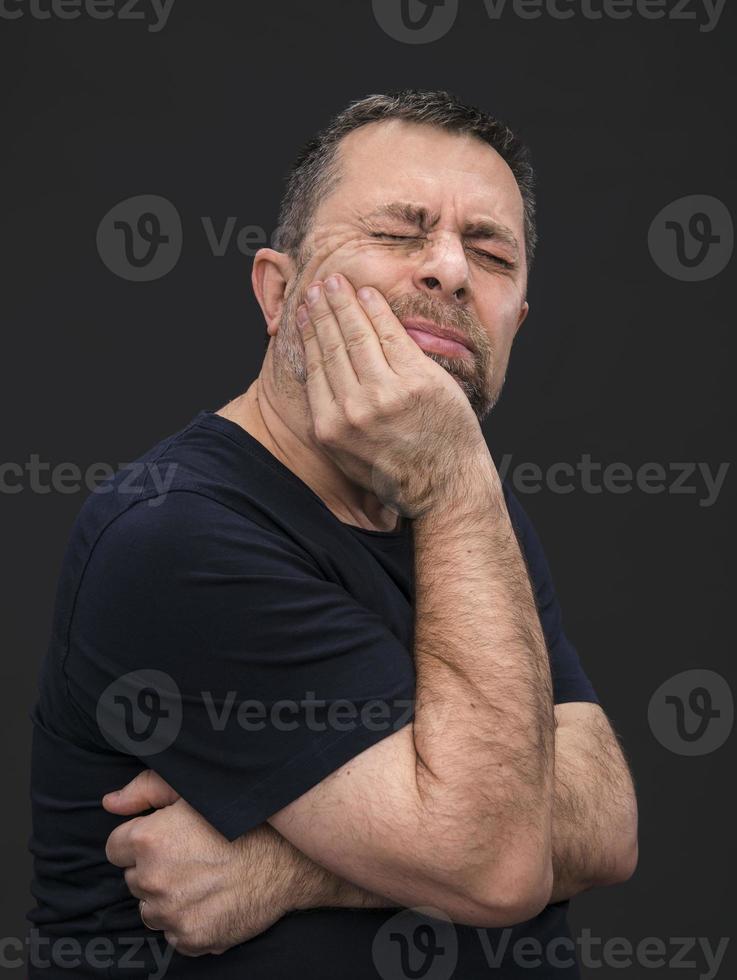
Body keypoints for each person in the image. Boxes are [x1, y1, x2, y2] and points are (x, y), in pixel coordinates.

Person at [28, 89, 638, 979]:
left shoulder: (459, 501)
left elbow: (608, 824)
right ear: (279, 292)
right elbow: (499, 866)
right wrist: (459, 482)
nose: (450, 271)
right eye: (398, 233)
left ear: (515, 324)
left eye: (490, 251)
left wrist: (296, 868)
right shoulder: (177, 533)